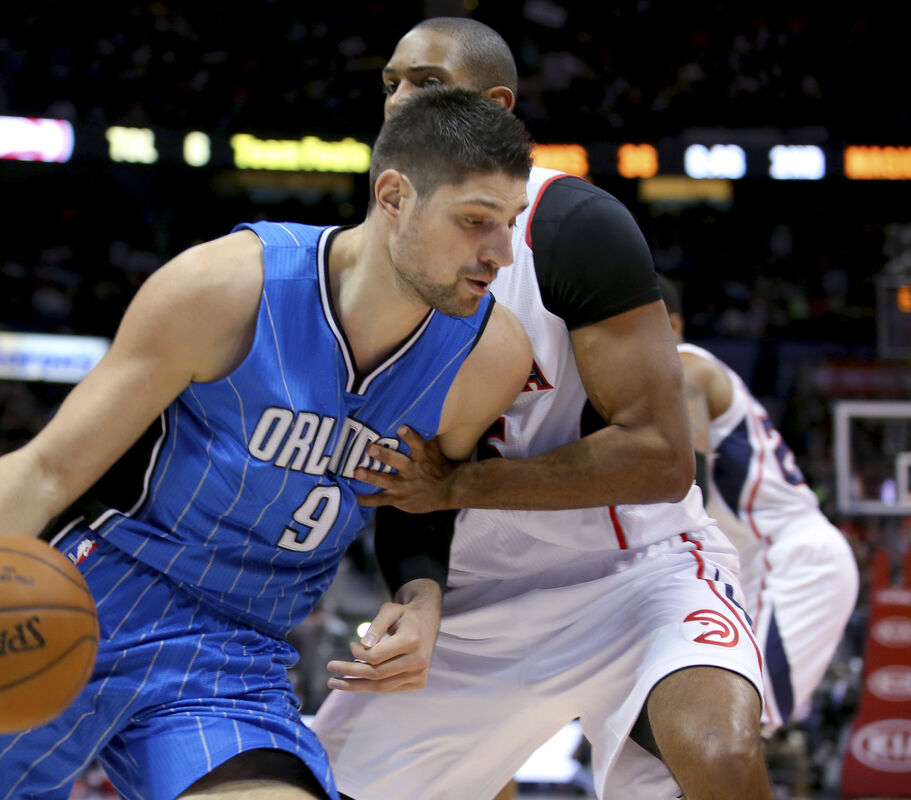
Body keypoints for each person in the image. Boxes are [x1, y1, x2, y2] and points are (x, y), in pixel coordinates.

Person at [0, 88, 536, 800]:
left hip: (233, 654)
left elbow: (425, 497)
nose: (501, 254)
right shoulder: (227, 285)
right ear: (394, 196)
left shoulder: (490, 357)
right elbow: (47, 467)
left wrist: (422, 595)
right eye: (475, 221)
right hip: (72, 599)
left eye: (510, 222)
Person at [309, 17, 776, 800]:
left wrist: (459, 487)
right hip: (479, 590)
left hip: (636, 572)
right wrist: (419, 594)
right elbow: (411, 474)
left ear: (495, 105)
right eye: (390, 83)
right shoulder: (382, 254)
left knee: (720, 757)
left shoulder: (573, 226)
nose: (398, 98)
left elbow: (662, 460)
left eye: (426, 81)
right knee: (321, 784)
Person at [658, 275, 859, 735]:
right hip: (752, 569)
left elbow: (687, 480)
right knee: (711, 730)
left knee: (731, 726)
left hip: (794, 561)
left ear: (673, 326)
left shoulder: (686, 367)